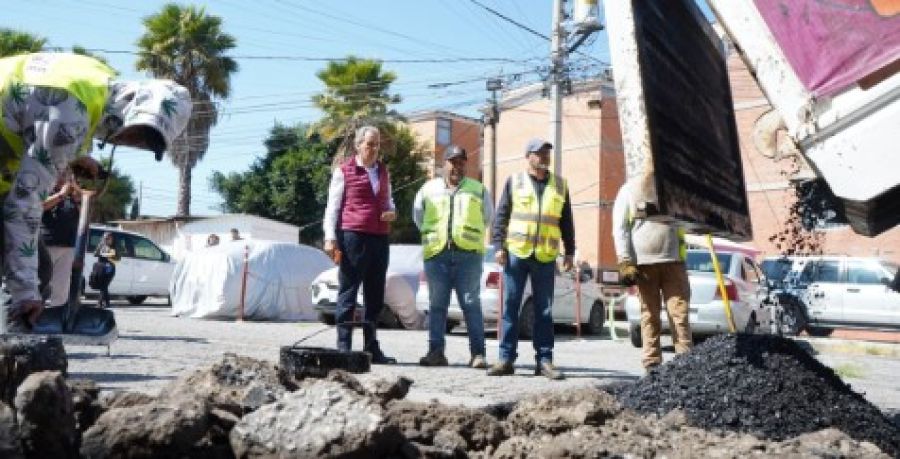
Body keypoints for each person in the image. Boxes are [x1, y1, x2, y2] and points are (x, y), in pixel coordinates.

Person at [0, 52, 191, 330]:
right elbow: (23, 208)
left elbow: (37, 113)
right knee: (30, 277)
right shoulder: (71, 116)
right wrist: (26, 294)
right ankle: (14, 345)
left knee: (38, 268)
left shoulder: (93, 80)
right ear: (129, 109)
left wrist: (74, 154)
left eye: (144, 143)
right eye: (137, 134)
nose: (130, 143)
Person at [488, 139, 575, 380]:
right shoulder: (514, 181)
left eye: (547, 153)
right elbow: (501, 216)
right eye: (539, 153)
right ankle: (506, 359)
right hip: (517, 253)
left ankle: (544, 360)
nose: (544, 157)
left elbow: (566, 221)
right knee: (511, 307)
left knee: (544, 310)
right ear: (528, 156)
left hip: (545, 256)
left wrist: (570, 252)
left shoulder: (560, 185)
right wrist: (498, 246)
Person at [322, 125, 397, 364]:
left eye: (376, 144)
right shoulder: (344, 171)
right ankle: (344, 346)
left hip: (380, 237)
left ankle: (371, 346)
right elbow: (332, 207)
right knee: (349, 291)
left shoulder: (384, 171)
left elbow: (390, 201)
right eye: (369, 144)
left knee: (375, 295)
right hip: (353, 236)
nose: (374, 149)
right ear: (358, 145)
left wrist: (392, 212)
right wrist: (329, 238)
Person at [413, 145, 493, 368]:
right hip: (437, 254)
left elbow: (487, 217)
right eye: (452, 161)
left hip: (468, 256)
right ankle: (436, 352)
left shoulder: (478, 190)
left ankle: (478, 354)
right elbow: (418, 217)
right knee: (437, 305)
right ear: (443, 164)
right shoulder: (427, 189)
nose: (457, 166)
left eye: (461, 162)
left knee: (471, 304)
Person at [612, 176, 692, 371]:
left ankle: (685, 361)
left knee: (679, 312)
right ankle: (652, 362)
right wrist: (624, 259)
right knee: (650, 314)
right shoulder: (630, 190)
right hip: (644, 263)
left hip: (673, 260)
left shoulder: (672, 187)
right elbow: (620, 227)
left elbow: (689, 216)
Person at [40, 174, 82, 308]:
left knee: (61, 286)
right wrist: (61, 194)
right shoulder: (46, 191)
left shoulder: (74, 198)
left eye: (67, 176)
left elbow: (85, 218)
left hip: (68, 247)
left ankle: (56, 315)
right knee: (40, 281)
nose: (64, 179)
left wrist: (78, 199)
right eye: (61, 175)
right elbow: (41, 206)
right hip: (46, 245)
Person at [93, 232, 119, 309]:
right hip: (100, 268)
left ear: (112, 239)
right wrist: (100, 251)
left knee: (104, 285)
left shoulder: (114, 247)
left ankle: (100, 303)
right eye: (105, 238)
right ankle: (106, 303)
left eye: (109, 238)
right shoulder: (101, 246)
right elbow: (95, 254)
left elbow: (114, 256)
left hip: (109, 269)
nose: (107, 239)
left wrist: (103, 254)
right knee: (103, 286)